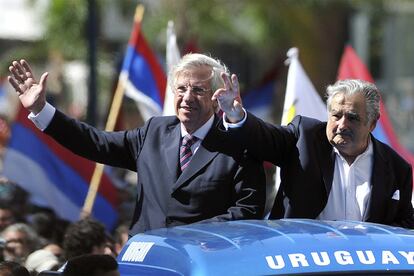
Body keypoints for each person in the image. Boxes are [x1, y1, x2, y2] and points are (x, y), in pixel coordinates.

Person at [7, 54, 266, 236]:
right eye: (181, 89)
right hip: (147, 261)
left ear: (216, 97)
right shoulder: (155, 132)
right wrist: (42, 110)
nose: (187, 98)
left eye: (198, 90)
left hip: (202, 262)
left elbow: (247, 211)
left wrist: (192, 235)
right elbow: (94, 143)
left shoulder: (238, 143)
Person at [214, 77, 414, 228]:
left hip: (362, 266)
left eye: (352, 118)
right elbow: (265, 138)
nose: (342, 125)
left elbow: (403, 225)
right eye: (336, 115)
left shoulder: (397, 168)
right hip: (303, 261)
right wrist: (236, 116)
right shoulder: (304, 136)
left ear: (372, 123)